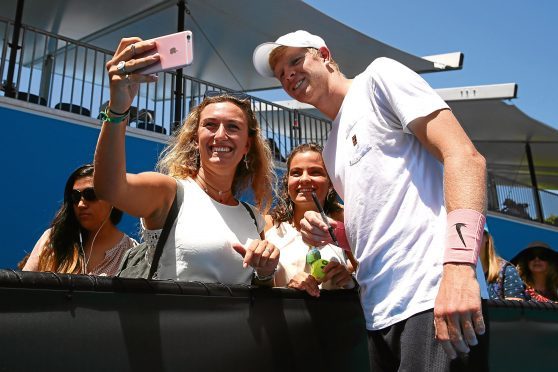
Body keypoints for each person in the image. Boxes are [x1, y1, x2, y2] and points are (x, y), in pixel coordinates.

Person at [253, 30, 489, 370]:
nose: (287, 74)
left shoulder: (380, 77)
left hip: (434, 297)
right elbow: (377, 226)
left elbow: (465, 157)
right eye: (279, 73)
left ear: (324, 53)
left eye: (295, 60)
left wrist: (458, 270)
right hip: (378, 316)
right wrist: (335, 233)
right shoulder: (331, 149)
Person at [94, 37, 279, 285]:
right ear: (195, 139)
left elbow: (258, 291)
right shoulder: (169, 192)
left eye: (233, 127)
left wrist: (266, 273)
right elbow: (109, 188)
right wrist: (118, 109)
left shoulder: (252, 216)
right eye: (210, 125)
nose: (221, 134)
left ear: (247, 145)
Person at [265, 143, 357, 296]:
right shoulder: (268, 225)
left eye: (315, 172)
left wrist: (349, 281)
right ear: (287, 181)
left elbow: (368, 275)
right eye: (296, 173)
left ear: (330, 183)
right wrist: (287, 289)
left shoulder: (344, 221)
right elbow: (256, 281)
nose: (305, 179)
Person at [23, 164, 137, 276]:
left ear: (112, 198)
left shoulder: (131, 250)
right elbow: (24, 289)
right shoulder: (53, 239)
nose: (81, 204)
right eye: (75, 196)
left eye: (90, 194)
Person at [480, 227, 526, 300]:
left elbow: (515, 310)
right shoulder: (457, 274)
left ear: (486, 237)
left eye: (473, 233)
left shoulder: (507, 271)